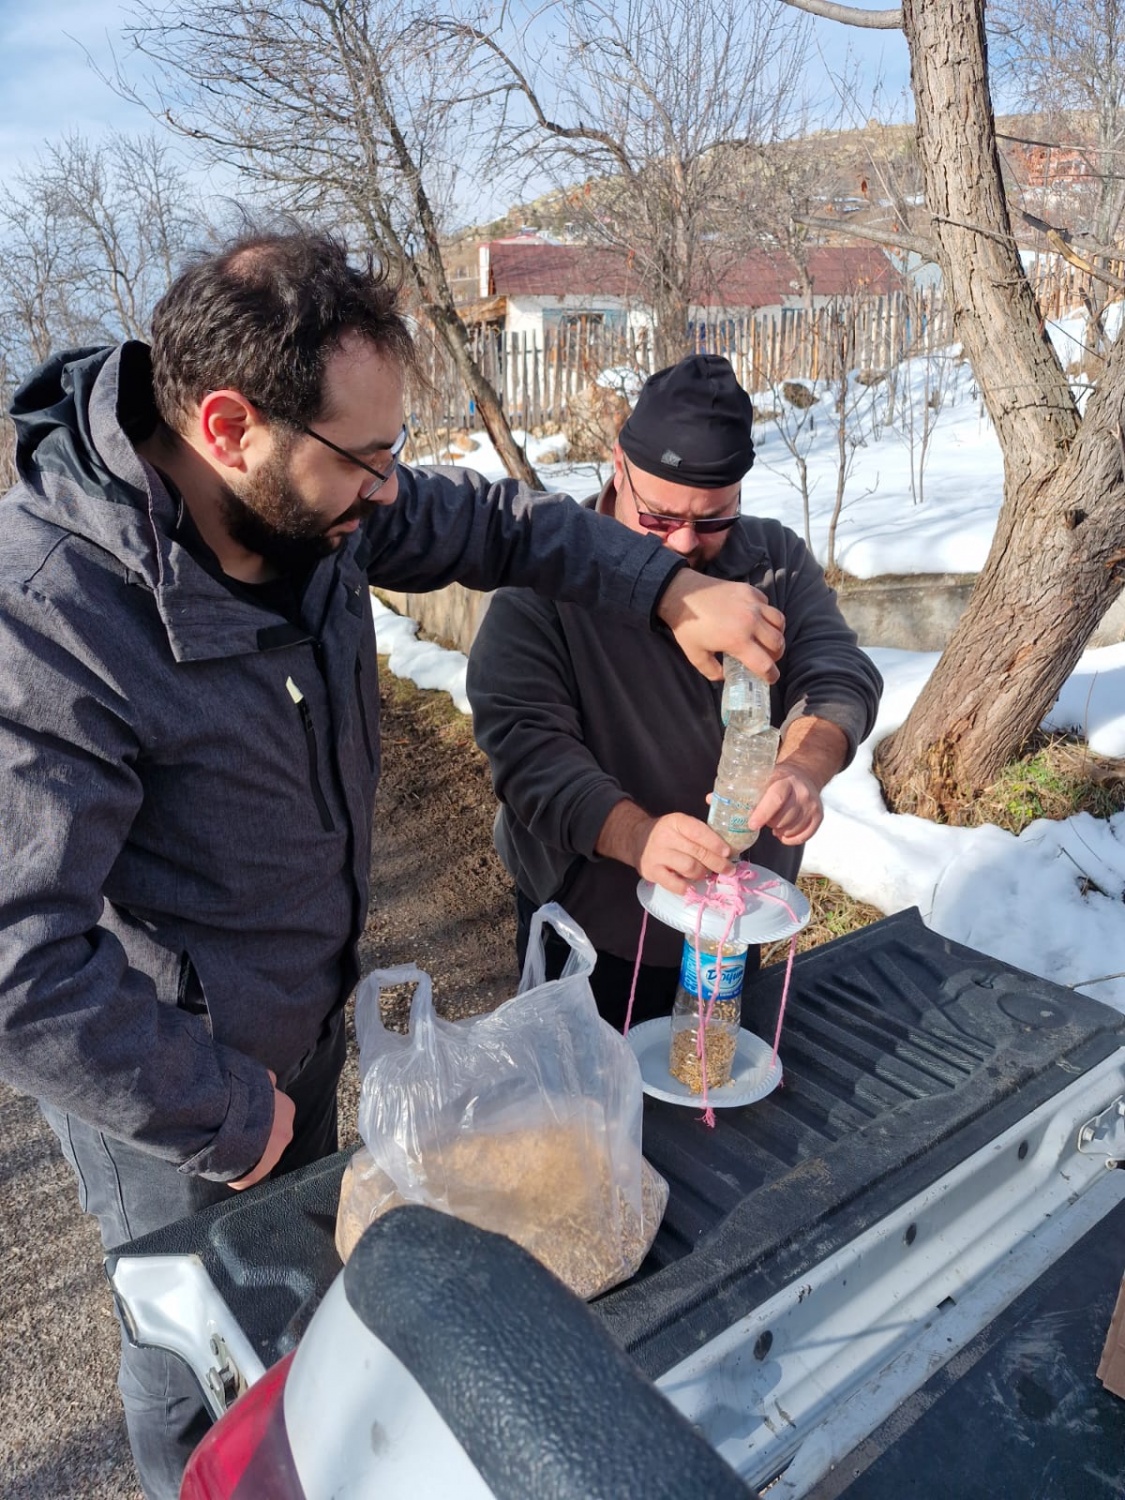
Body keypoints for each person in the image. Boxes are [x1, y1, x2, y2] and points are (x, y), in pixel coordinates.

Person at [0, 234, 784, 1500]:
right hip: (161, 1077)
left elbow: (491, 523)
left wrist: (662, 590)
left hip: (298, 1023)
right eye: (365, 460)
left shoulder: (315, 500)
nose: (387, 490)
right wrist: (225, 1112)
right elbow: (17, 965)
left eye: (390, 453)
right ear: (225, 423)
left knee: (301, 1302)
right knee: (187, 1318)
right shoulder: (48, 615)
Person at [467, 353, 884, 1029]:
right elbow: (526, 751)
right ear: (617, 466)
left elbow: (836, 672)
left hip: (730, 912)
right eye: (659, 518)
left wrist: (804, 767)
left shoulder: (772, 558)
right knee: (585, 1109)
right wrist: (635, 834)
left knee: (703, 1084)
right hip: (587, 916)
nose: (684, 543)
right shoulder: (544, 582)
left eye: (713, 519)